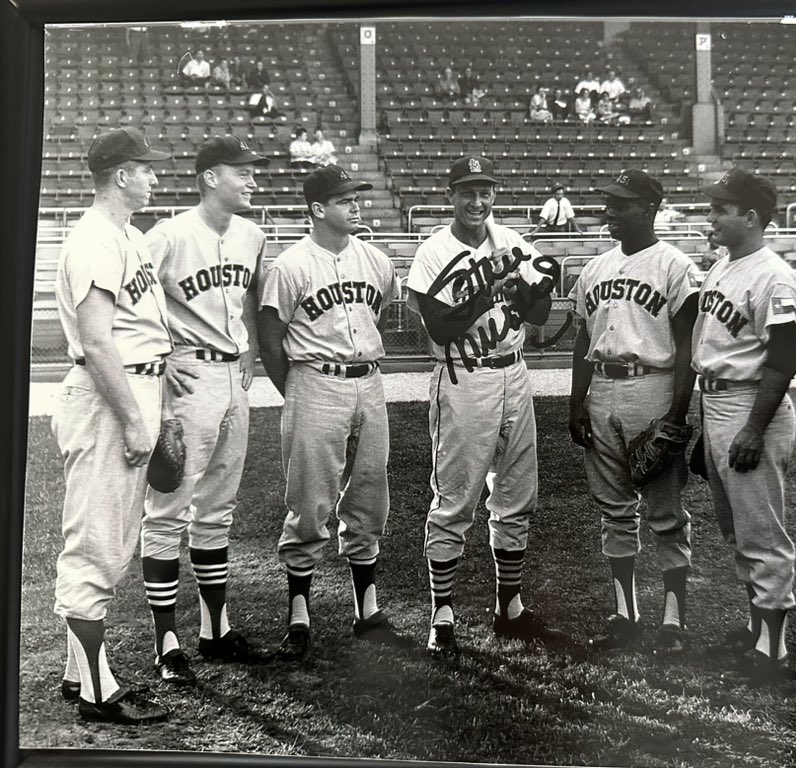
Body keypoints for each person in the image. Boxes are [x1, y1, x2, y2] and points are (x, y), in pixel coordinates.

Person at [405, 155, 564, 657]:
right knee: (454, 499)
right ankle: (442, 614)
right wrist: (488, 290)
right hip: (463, 374)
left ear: (495, 193)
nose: (477, 201)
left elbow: (539, 314)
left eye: (486, 191)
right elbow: (440, 327)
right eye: (467, 192)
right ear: (450, 195)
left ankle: (509, 609)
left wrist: (528, 289)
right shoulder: (433, 251)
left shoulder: (515, 242)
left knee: (517, 493)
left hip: (513, 371)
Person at [259, 165, 407, 660]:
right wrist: (298, 390)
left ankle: (367, 609)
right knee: (310, 498)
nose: (356, 204)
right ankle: (299, 614)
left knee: (370, 493)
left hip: (368, 380)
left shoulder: (377, 260)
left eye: (356, 196)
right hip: (314, 380)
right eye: (344, 199)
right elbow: (271, 339)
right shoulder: (291, 265)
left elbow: (377, 312)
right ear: (318, 209)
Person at [140, 135, 273, 687]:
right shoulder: (168, 234)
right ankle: (166, 642)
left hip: (231, 378)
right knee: (168, 508)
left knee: (218, 509)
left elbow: (246, 296)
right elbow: (131, 297)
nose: (252, 180)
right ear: (210, 177)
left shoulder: (252, 233)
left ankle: (215, 631)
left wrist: (249, 348)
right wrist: (156, 351)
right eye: (241, 172)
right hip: (188, 374)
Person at [51, 126, 173, 723]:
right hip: (108, 396)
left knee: (110, 538)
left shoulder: (128, 236)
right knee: (96, 543)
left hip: (132, 386)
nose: (154, 177)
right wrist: (133, 421)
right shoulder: (95, 239)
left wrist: (157, 406)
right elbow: (98, 343)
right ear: (120, 175)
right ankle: (99, 693)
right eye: (146, 169)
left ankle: (80, 675)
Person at [567, 169, 700, 653]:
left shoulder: (675, 266)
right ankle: (625, 614)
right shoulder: (595, 268)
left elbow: (687, 343)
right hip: (603, 389)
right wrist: (576, 401)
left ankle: (674, 619)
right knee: (614, 509)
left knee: (666, 510)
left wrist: (678, 414)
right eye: (608, 202)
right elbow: (583, 337)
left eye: (620, 204)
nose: (609, 212)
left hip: (654, 387)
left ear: (648, 208)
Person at [691, 169, 796, 683]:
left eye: (722, 209)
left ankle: (773, 652)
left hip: (750, 405)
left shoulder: (774, 275)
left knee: (762, 532)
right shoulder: (724, 266)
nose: (712, 217)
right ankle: (760, 630)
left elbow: (783, 358)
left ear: (752, 217)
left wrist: (753, 429)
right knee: (738, 529)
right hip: (717, 403)